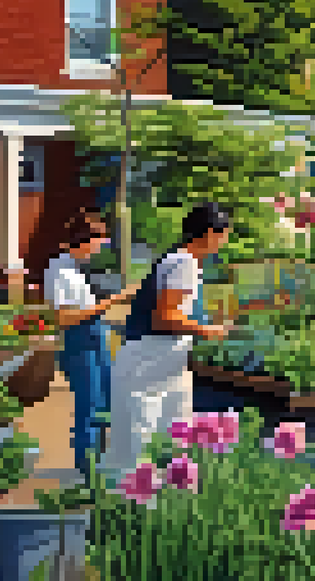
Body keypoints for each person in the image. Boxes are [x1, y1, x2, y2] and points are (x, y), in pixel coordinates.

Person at [99, 203, 234, 483]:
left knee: (165, 435)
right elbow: (164, 317)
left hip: (157, 362)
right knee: (141, 438)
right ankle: (135, 511)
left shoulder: (178, 259)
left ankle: (156, 505)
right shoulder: (183, 263)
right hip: (150, 360)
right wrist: (208, 330)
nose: (224, 243)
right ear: (208, 234)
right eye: (223, 236)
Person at [44, 209, 138, 476]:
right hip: (80, 341)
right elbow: (63, 317)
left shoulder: (74, 268)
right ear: (84, 239)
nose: (100, 248)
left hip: (96, 337)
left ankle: (102, 463)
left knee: (107, 402)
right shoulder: (58, 269)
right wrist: (112, 301)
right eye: (100, 241)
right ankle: (88, 471)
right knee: (89, 406)